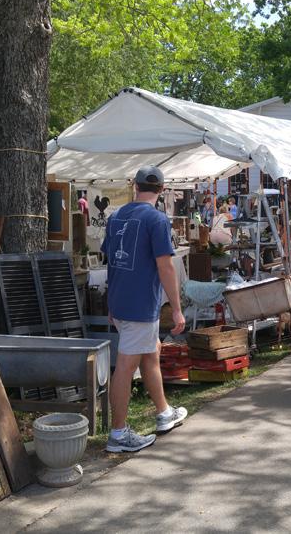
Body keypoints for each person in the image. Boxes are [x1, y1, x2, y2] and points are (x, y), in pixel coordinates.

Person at [103, 165, 188, 453]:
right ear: (162, 190)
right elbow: (165, 266)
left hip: (122, 302)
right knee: (126, 366)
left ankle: (164, 412)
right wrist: (176, 308)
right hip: (140, 305)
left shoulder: (115, 216)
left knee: (151, 353)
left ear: (135, 185)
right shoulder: (157, 219)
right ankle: (118, 433)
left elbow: (111, 262)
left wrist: (111, 301)